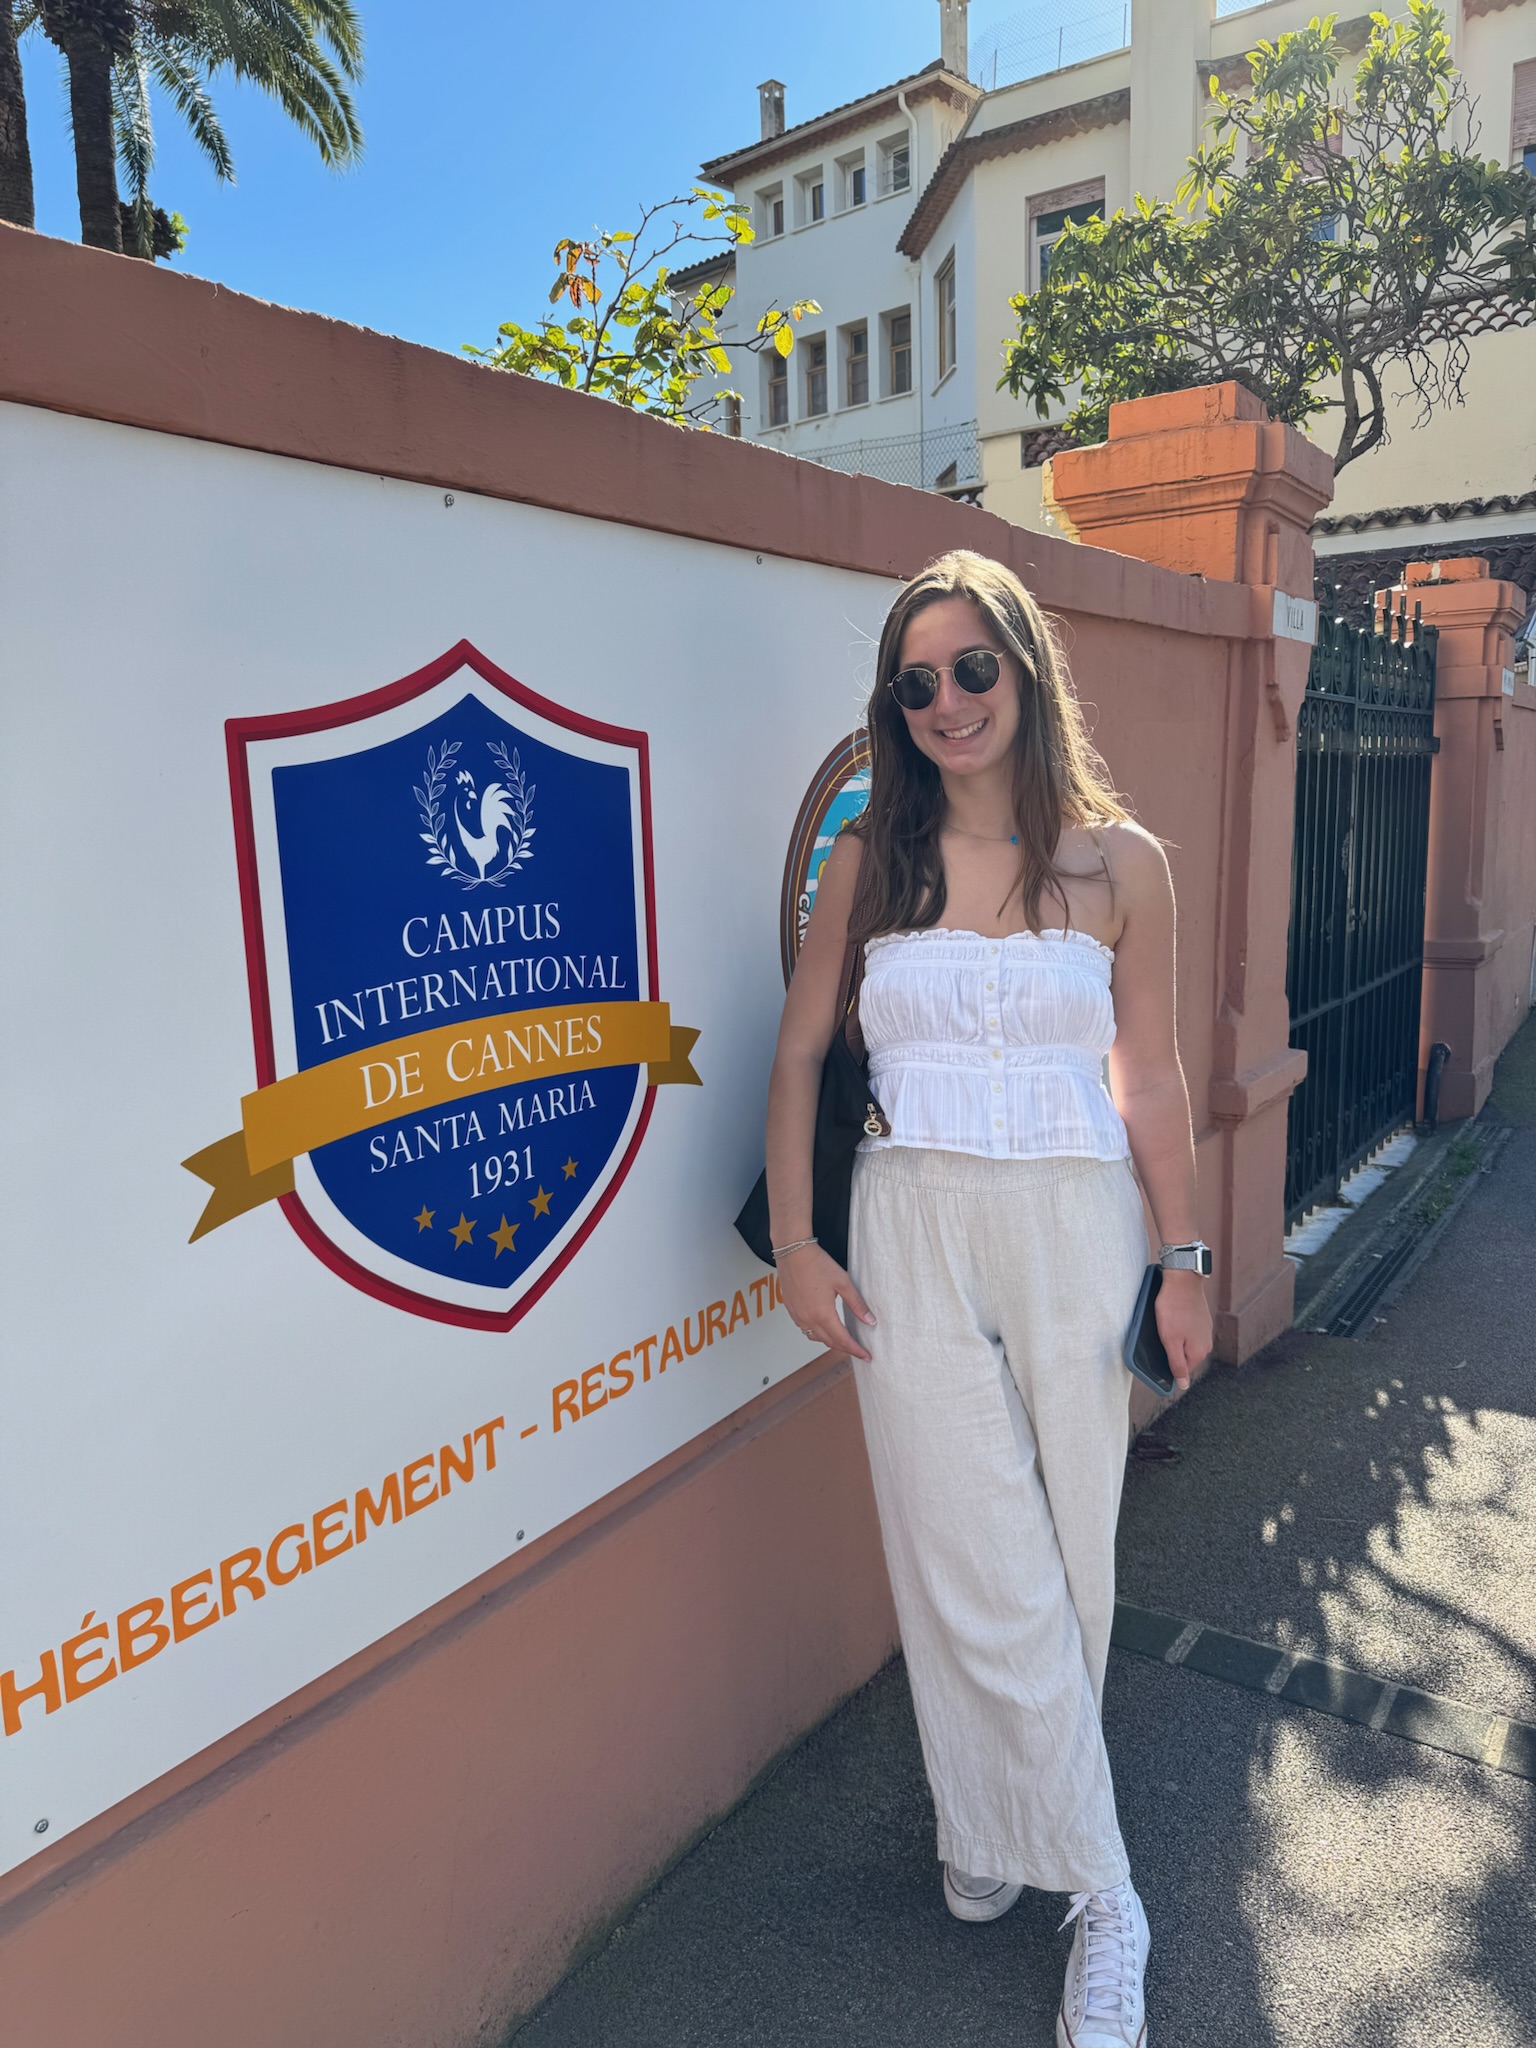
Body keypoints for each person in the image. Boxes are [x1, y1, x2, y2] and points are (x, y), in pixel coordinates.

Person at [764, 551, 1212, 2048]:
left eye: (973, 668)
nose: (948, 700)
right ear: (893, 708)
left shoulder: (1122, 865)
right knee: (963, 1551)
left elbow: (1151, 1080)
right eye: (917, 681)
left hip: (1076, 1221)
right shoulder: (868, 862)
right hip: (908, 1226)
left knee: (1070, 1552)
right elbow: (801, 1054)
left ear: (1024, 669)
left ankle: (1039, 1847)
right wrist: (799, 1243)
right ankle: (1096, 1880)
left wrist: (1187, 1257)